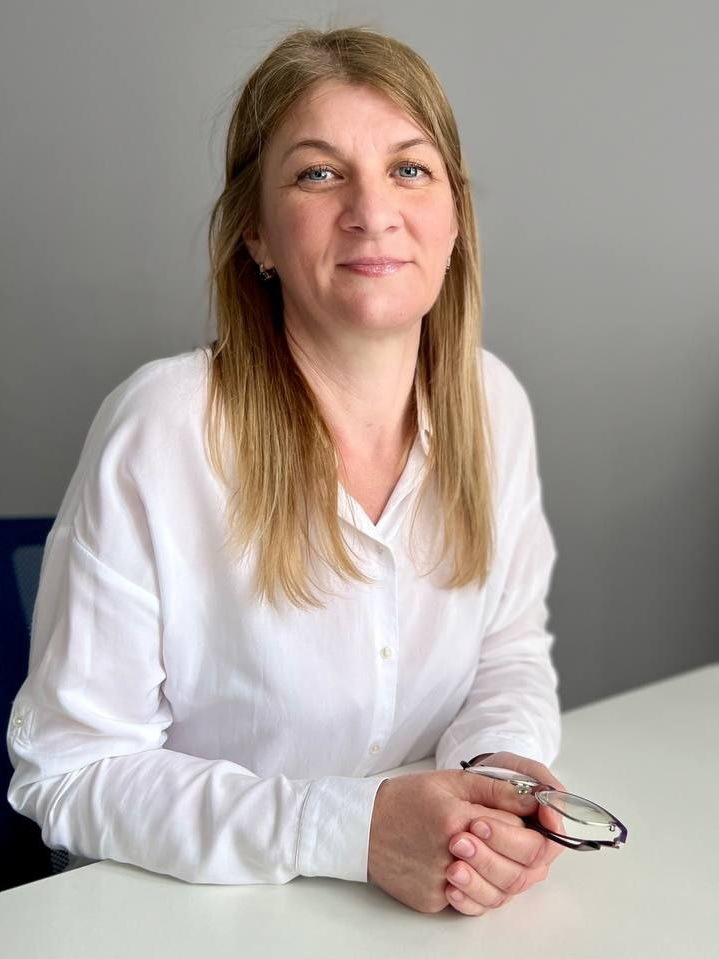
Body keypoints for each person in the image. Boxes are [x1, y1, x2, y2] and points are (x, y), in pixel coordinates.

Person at [7, 25, 566, 917]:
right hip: (189, 917)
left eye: (409, 168)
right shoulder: (161, 427)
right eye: (318, 174)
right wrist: (352, 830)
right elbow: (70, 770)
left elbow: (506, 653)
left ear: (454, 220)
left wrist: (496, 786)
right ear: (256, 234)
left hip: (414, 912)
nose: (371, 210)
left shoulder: (492, 403)